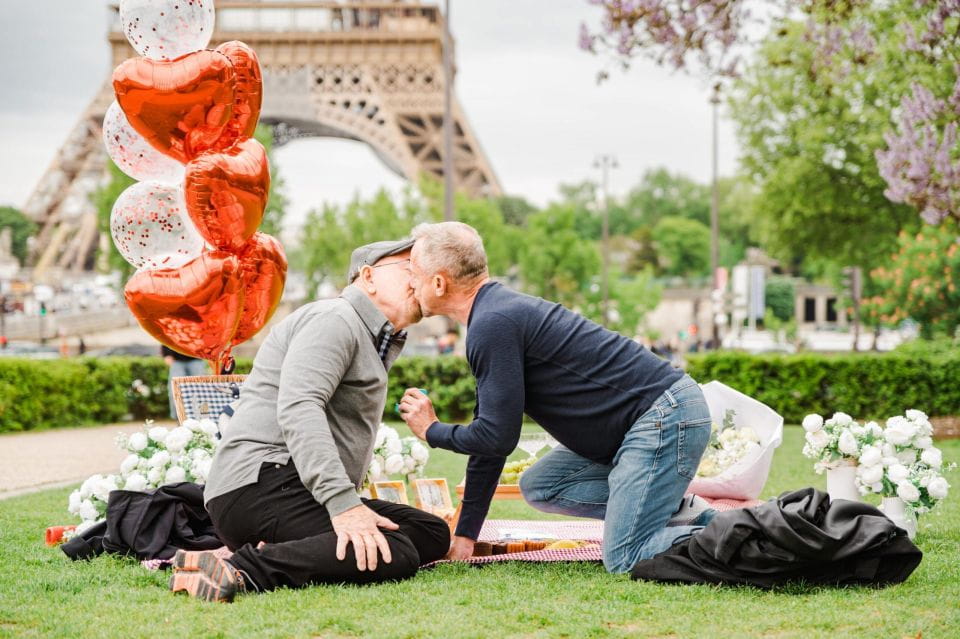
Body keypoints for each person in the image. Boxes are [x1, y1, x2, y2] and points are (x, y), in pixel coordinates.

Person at [399, 222, 714, 574]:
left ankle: (747, 534)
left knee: (626, 556)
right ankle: (681, 512)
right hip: (655, 418)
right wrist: (467, 535)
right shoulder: (493, 316)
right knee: (542, 486)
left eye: (413, 273)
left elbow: (497, 437)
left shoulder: (493, 322)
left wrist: (433, 431)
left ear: (439, 283)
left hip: (664, 417)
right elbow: (491, 437)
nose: (408, 283)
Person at [170, 239, 450, 603]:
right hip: (260, 485)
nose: (419, 279)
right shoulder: (335, 319)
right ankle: (241, 569)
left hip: (286, 485)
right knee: (397, 549)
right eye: (408, 268)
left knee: (429, 531)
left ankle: (291, 549)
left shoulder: (365, 333)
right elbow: (299, 407)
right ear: (368, 277)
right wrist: (345, 506)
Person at [162, 345, 208, 419]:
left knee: (201, 390)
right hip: (176, 360)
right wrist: (166, 354)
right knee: (174, 391)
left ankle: (204, 418)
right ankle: (179, 419)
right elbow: (166, 334)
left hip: (197, 358)